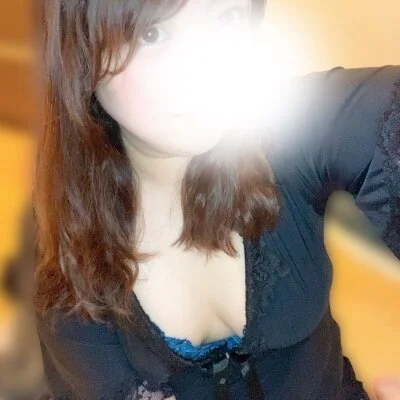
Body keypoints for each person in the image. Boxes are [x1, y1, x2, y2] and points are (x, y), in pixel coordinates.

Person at [31, 0, 400, 399]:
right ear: (83, 52)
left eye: (227, 16)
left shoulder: (290, 131)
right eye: (151, 33)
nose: (203, 64)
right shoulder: (68, 238)